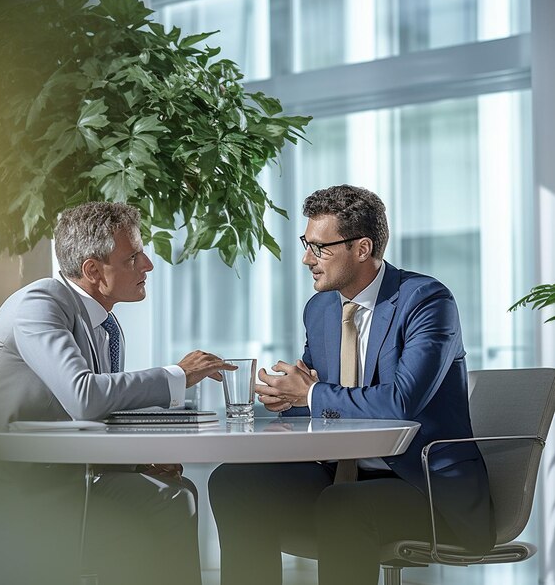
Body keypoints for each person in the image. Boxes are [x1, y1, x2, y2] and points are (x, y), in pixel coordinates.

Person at [208, 185, 495, 585]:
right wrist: (286, 399)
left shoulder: (427, 301)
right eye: (306, 244)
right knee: (234, 481)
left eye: (320, 248)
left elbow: (400, 402)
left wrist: (307, 393)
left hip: (422, 486)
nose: (307, 258)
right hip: (338, 477)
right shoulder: (320, 308)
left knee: (343, 506)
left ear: (362, 248)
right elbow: (322, 402)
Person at [0, 201, 234, 585]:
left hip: (63, 477)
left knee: (176, 491)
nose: (148, 265)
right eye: (133, 257)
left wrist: (135, 463)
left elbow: (91, 418)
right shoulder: (41, 303)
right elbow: (84, 397)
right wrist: (177, 374)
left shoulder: (103, 322)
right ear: (92, 270)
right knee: (165, 502)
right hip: (10, 491)